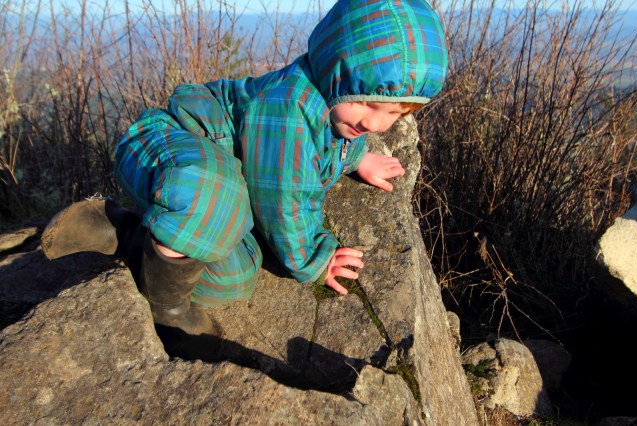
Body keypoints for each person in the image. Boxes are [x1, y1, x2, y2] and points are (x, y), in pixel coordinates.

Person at [41, 0, 448, 337]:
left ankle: (126, 234)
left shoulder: (337, 108)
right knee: (214, 195)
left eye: (392, 113)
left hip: (215, 183)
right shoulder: (289, 107)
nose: (373, 124)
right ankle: (164, 310)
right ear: (334, 66)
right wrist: (314, 258)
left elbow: (330, 143)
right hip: (170, 148)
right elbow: (281, 201)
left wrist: (356, 156)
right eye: (365, 103)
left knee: (235, 275)